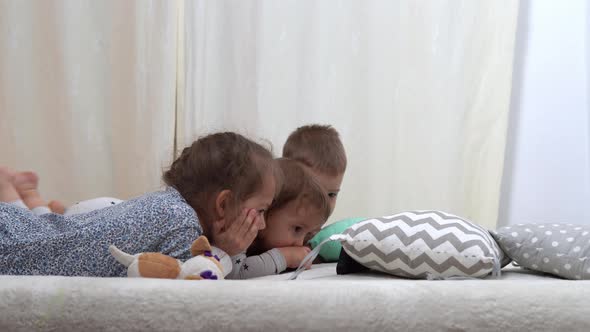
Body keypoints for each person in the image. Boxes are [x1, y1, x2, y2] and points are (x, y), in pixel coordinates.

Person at [0, 132, 277, 277]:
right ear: (223, 203)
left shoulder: (169, 204)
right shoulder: (182, 226)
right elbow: (196, 288)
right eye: (261, 211)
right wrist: (225, 251)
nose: (262, 224)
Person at [226, 158, 330, 279]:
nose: (300, 243)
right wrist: (284, 257)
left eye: (308, 233)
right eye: (297, 229)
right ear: (266, 210)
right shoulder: (240, 234)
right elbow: (236, 273)